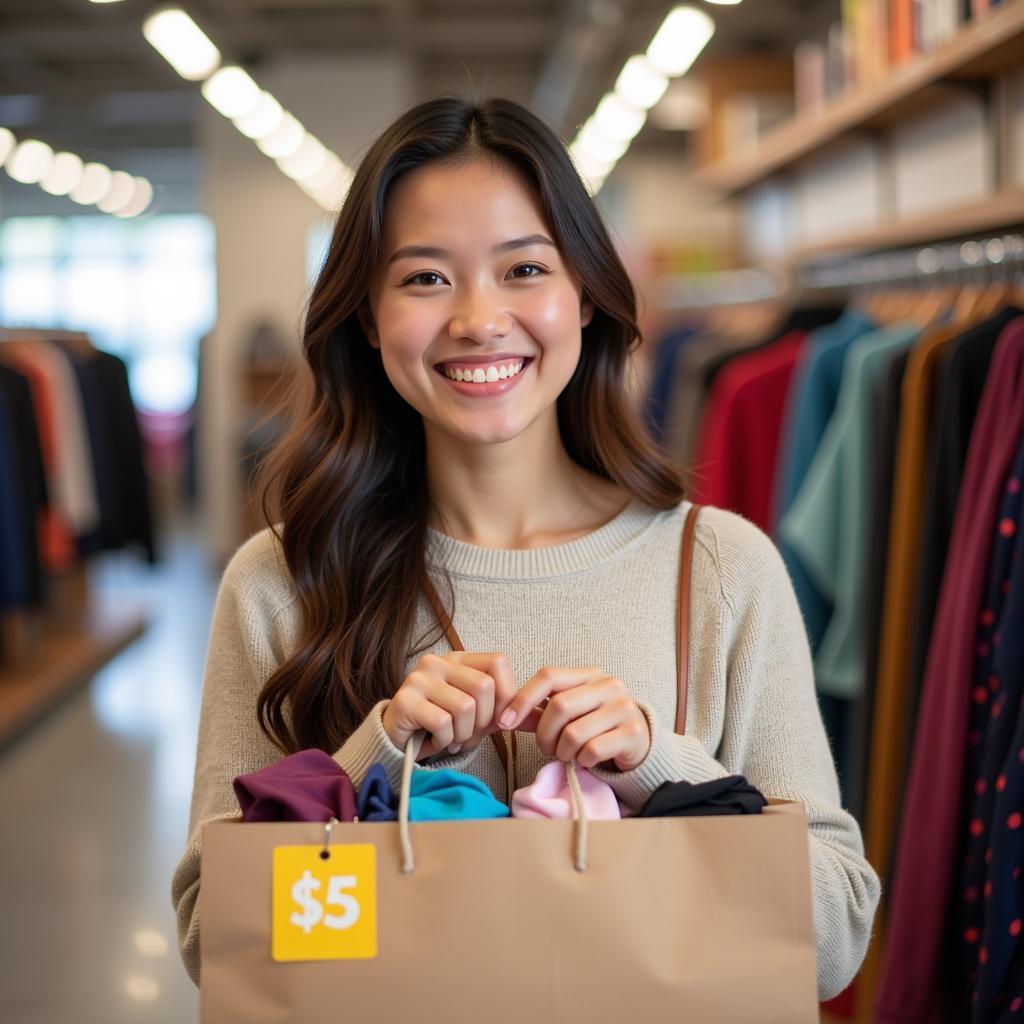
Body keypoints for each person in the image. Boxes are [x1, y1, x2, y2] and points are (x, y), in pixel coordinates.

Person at [171, 95, 879, 999]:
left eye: (524, 269)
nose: (476, 318)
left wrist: (660, 766)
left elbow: (835, 940)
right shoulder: (282, 580)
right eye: (425, 278)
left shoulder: (721, 569)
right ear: (366, 317)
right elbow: (215, 937)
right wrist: (376, 753)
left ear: (584, 296)